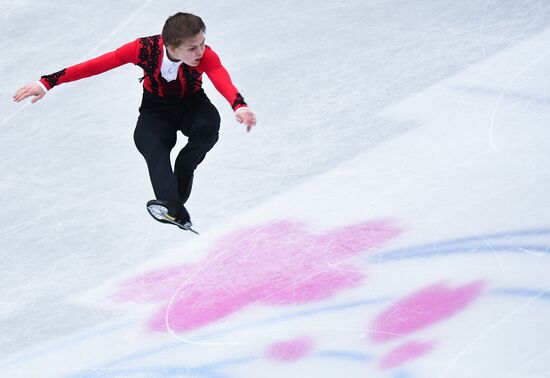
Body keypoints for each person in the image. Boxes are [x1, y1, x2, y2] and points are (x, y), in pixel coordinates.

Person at [13, 12, 256, 231]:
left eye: (202, 43)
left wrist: (239, 105)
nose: (201, 51)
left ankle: (185, 168)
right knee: (149, 143)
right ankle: (172, 205)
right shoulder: (144, 48)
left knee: (208, 127)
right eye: (192, 48)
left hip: (192, 103)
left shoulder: (206, 56)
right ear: (171, 46)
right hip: (156, 109)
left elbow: (220, 76)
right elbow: (98, 64)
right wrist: (48, 82)